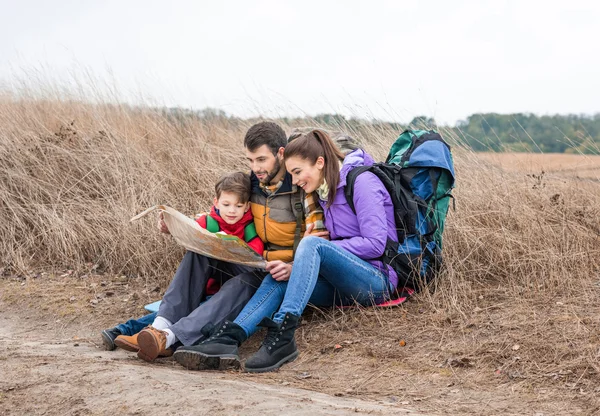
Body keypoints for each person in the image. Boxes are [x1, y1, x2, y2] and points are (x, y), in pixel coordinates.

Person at [173, 128, 399, 373]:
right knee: (281, 275)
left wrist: (320, 248)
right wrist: (296, 267)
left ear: (320, 162)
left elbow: (376, 243)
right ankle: (230, 338)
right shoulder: (323, 191)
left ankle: (283, 334)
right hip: (342, 281)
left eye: (298, 172)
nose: (296, 181)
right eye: (291, 173)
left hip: (376, 279)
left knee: (311, 244)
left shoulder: (362, 181)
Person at [100, 122, 325, 363]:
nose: (255, 168)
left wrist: (292, 266)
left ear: (281, 153)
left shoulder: (302, 185)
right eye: (250, 160)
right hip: (251, 260)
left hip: (278, 273)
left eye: (261, 160)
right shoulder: (252, 184)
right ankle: (159, 327)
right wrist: (182, 227)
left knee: (245, 282)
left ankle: (169, 337)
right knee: (200, 251)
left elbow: (318, 243)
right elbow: (224, 210)